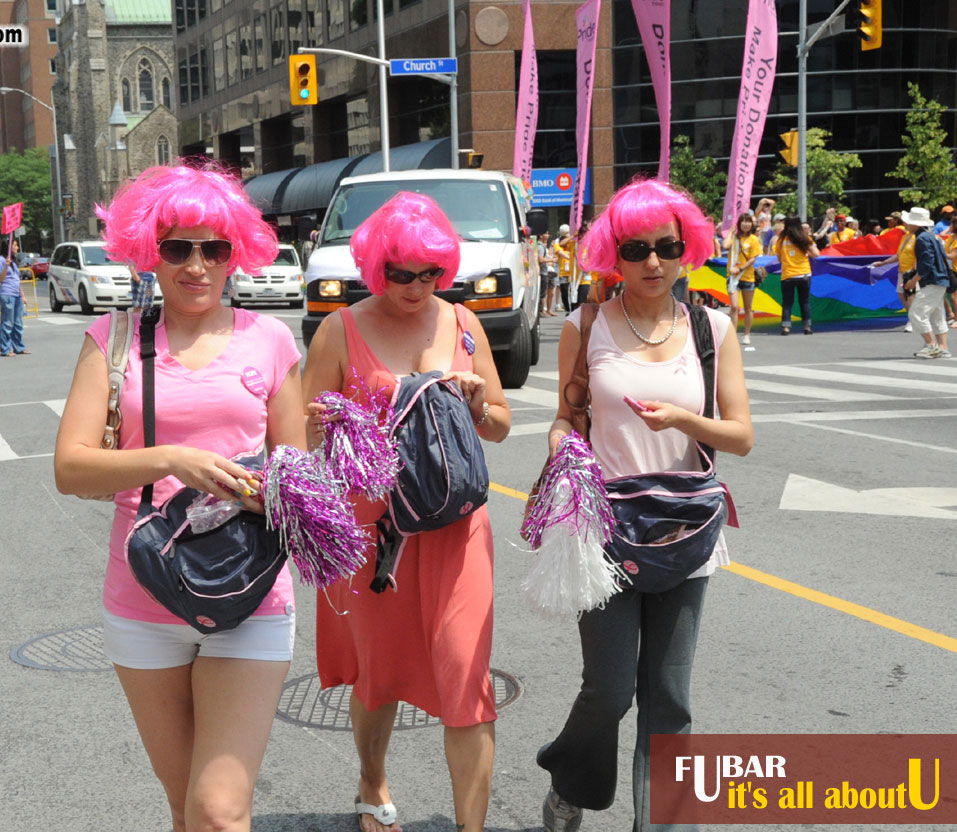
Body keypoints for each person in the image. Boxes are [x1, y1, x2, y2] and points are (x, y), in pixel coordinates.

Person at [53, 163, 305, 832]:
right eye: (177, 249)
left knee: (218, 811)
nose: (197, 265)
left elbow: (300, 471)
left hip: (250, 592)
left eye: (214, 249)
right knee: (183, 806)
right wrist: (171, 460)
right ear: (149, 252)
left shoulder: (270, 339)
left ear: (235, 253)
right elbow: (71, 468)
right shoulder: (112, 339)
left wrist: (269, 490)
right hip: (144, 594)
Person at [537, 177, 752, 832]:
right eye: (635, 249)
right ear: (614, 255)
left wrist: (683, 419)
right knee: (609, 689)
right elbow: (565, 418)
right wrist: (561, 451)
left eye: (667, 246)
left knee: (669, 697)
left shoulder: (712, 329)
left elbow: (740, 436)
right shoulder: (585, 325)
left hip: (685, 529)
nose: (653, 261)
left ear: (688, 249)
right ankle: (571, 779)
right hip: (602, 530)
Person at [303, 192, 511, 832]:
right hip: (374, 533)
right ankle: (372, 781)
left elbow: (500, 424)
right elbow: (302, 437)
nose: (417, 287)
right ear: (376, 268)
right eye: (401, 274)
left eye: (430, 273)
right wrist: (346, 426)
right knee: (379, 674)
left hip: (455, 526)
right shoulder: (341, 329)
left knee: (466, 675)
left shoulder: (463, 322)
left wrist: (476, 404)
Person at [891, 207, 950, 358]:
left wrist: (913, 281)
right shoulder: (932, 236)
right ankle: (942, 347)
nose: (907, 224)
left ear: (915, 223)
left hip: (931, 280)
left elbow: (926, 263)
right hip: (940, 278)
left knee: (916, 313)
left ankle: (931, 345)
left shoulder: (922, 238)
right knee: (937, 315)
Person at [872, 211, 920, 334]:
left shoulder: (916, 237)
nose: (904, 224)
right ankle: (914, 317)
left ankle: (912, 321)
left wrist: (915, 270)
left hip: (910, 271)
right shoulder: (905, 237)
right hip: (902, 271)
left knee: (910, 295)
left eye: (906, 222)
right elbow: (898, 255)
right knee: (901, 294)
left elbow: (917, 255)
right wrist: (883, 263)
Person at [772, 216, 820, 335]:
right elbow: (816, 254)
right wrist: (807, 252)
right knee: (805, 301)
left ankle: (786, 327)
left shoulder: (781, 240)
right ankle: (807, 327)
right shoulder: (805, 239)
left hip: (788, 275)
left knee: (787, 302)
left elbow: (779, 259)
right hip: (804, 273)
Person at [726, 212, 762, 350]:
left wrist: (740, 268)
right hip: (732, 277)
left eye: (748, 222)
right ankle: (733, 335)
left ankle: (747, 334)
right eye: (743, 221)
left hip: (747, 277)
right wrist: (730, 232)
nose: (746, 224)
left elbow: (753, 259)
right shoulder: (735, 238)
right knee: (734, 306)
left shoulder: (753, 239)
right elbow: (725, 245)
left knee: (748, 307)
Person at [0, 239, 28, 356]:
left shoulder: (13, 261)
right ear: (8, 247)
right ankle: (6, 349)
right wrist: (6, 266)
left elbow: (16, 280)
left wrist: (22, 295)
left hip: (17, 294)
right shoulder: (1, 260)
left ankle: (18, 347)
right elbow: (1, 279)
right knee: (7, 323)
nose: (17, 247)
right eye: (15, 245)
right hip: (7, 294)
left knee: (18, 323)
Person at [538, 230, 559, 316]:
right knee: (542, 293)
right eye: (546, 233)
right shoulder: (540, 246)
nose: (548, 235)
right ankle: (541, 311)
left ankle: (546, 310)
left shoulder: (542, 246)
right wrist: (551, 260)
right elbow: (540, 259)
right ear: (540, 235)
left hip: (547, 271)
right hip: (542, 272)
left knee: (548, 292)